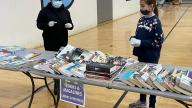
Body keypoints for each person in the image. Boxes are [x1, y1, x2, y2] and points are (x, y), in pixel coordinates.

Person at [128, 0, 164, 108]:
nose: (141, 8)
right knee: (141, 78)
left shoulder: (156, 22)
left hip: (151, 56)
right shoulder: (141, 19)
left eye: (143, 6)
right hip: (142, 55)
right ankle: (142, 101)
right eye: (140, 6)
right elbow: (138, 34)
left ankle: (152, 105)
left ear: (151, 6)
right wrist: (133, 38)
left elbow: (159, 41)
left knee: (151, 81)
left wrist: (141, 42)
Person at [37, 0, 74, 94]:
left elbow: (71, 24)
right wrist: (47, 24)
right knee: (53, 64)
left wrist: (70, 26)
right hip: (50, 42)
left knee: (62, 63)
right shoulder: (44, 11)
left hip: (63, 42)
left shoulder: (65, 11)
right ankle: (56, 85)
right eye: (56, 0)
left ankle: (62, 84)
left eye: (59, 0)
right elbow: (39, 24)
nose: (58, 1)